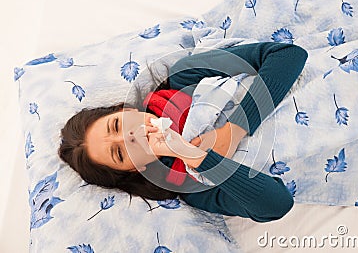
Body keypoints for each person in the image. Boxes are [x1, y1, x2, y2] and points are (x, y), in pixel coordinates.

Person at [58, 42, 308, 223]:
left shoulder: (185, 75)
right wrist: (197, 157)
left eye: (116, 125)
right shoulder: (191, 188)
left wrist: (233, 129)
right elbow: (276, 205)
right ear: (134, 169)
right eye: (120, 153)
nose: (129, 136)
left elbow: (288, 55)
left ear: (123, 109)